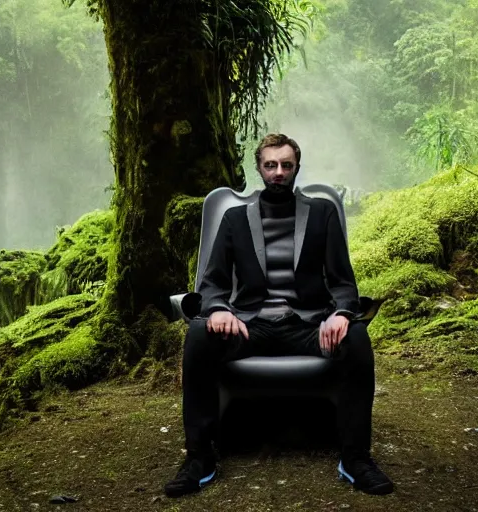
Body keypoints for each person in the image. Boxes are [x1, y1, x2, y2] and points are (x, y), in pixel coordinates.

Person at [164, 133, 395, 498]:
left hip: (308, 325)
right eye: (270, 165)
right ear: (259, 168)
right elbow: (212, 283)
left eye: (286, 165)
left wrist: (341, 315)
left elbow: (342, 281)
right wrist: (221, 310)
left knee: (356, 337)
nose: (278, 172)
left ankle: (356, 459)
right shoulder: (234, 218)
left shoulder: (322, 213)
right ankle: (199, 459)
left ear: (296, 168)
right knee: (198, 335)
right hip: (250, 324)